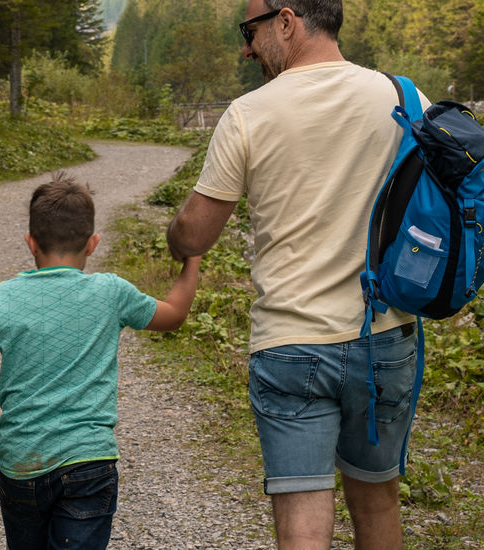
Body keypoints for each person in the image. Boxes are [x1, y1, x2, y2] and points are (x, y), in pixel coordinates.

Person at [164, 0, 427, 548]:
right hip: (385, 334)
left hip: (292, 341)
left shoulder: (249, 112)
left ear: (287, 21)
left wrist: (175, 235)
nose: (246, 47)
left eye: (250, 30)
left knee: (304, 513)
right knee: (378, 501)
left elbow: (194, 236)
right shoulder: (405, 97)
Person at [0, 175, 200, 550]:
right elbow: (173, 315)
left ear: (30, 243)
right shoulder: (111, 292)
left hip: (22, 465)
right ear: (93, 244)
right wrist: (193, 259)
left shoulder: (1, 299)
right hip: (89, 462)